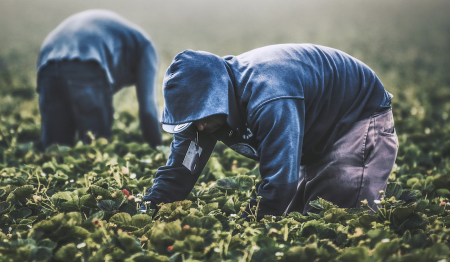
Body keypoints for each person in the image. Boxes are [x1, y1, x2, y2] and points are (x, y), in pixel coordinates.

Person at [142, 44, 398, 219]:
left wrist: (246, 224)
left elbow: (280, 182)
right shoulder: (202, 119)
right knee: (301, 220)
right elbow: (180, 171)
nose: (199, 127)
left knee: (339, 218)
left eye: (202, 117)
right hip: (313, 129)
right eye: (191, 120)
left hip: (357, 116)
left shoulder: (268, 97)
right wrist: (148, 209)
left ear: (218, 97)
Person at [37, 9, 162, 150]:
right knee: (95, 146)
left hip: (47, 60)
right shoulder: (147, 48)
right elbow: (148, 109)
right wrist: (157, 147)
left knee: (55, 149)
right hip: (86, 59)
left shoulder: (128, 41)